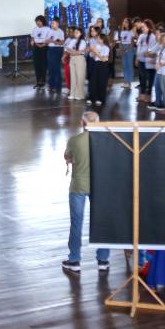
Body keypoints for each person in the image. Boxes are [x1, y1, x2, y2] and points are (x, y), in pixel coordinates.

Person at [62, 112, 111, 273]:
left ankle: (74, 259)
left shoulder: (74, 141)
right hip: (100, 187)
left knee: (76, 223)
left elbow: (67, 156)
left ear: (81, 123)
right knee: (103, 223)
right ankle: (103, 259)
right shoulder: (106, 141)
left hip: (78, 186)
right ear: (98, 123)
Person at [87, 34, 110, 106]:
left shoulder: (106, 48)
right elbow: (92, 56)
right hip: (96, 64)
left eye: (99, 38)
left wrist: (96, 52)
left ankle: (100, 99)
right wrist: (93, 51)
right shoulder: (96, 46)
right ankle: (92, 98)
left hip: (103, 66)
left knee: (102, 83)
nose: (97, 40)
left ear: (102, 39)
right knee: (93, 82)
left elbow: (103, 59)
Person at [65, 26, 87, 100]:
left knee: (79, 77)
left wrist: (73, 52)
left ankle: (80, 94)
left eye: (77, 32)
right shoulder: (73, 41)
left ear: (81, 33)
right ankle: (73, 93)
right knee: (73, 76)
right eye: (75, 32)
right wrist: (74, 52)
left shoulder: (83, 41)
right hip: (72, 59)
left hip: (80, 59)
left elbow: (79, 52)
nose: (75, 34)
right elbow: (68, 49)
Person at [30, 15, 50, 89]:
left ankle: (43, 82)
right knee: (36, 65)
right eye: (36, 21)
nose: (37, 23)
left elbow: (49, 39)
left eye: (39, 21)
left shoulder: (47, 29)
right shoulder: (35, 29)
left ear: (43, 21)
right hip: (36, 47)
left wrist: (44, 44)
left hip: (44, 47)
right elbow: (32, 37)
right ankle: (38, 82)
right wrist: (32, 41)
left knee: (43, 65)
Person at [46, 19, 66, 93]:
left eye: (53, 23)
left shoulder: (60, 32)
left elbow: (61, 43)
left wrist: (53, 41)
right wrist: (49, 41)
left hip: (57, 50)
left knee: (56, 69)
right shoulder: (49, 31)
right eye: (51, 23)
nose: (52, 25)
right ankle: (51, 86)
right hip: (50, 50)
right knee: (51, 69)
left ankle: (58, 87)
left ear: (57, 24)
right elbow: (47, 41)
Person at [118, 18, 135, 88]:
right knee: (124, 66)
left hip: (129, 49)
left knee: (129, 66)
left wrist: (127, 50)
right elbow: (121, 41)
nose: (124, 23)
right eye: (124, 22)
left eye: (126, 22)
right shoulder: (122, 31)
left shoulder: (131, 31)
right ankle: (125, 81)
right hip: (123, 49)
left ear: (129, 23)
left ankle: (129, 82)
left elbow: (132, 42)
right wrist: (121, 49)